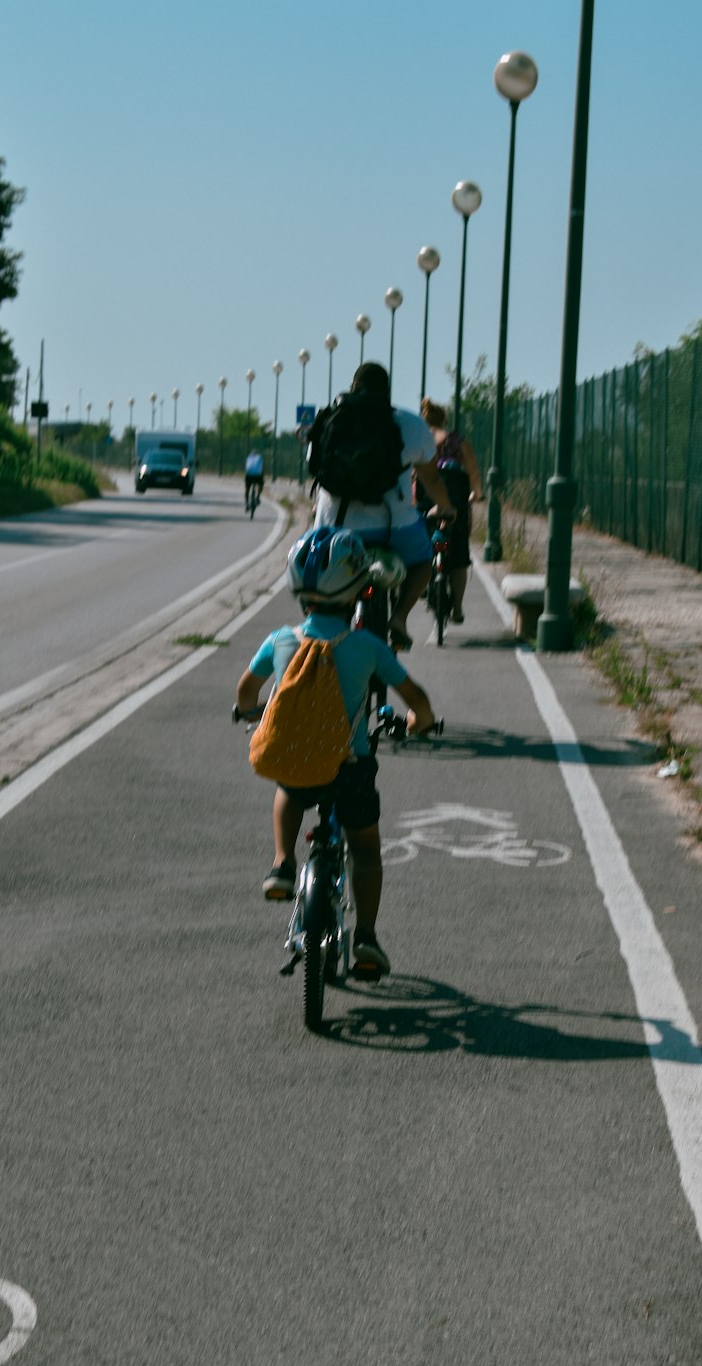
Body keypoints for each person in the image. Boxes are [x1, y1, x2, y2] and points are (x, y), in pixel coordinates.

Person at [235, 526, 436, 976]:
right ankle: (365, 937)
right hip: (351, 767)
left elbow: (246, 692)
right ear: (358, 591)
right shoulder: (367, 645)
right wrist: (417, 722)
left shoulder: (281, 641)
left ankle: (282, 863)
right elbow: (416, 699)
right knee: (364, 848)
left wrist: (250, 712)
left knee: (289, 787)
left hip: (300, 765)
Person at [311, 362, 455, 652]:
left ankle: (322, 632)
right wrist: (447, 509)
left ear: (353, 388)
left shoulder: (329, 419)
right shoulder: (410, 424)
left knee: (318, 574)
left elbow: (315, 468)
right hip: (394, 526)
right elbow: (431, 479)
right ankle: (399, 619)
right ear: (387, 391)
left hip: (335, 525)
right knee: (423, 561)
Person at [418, 398, 484, 623]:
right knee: (458, 557)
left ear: (424, 420)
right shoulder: (458, 440)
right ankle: (456, 608)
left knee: (422, 546)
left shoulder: (421, 440)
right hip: (456, 504)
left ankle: (423, 585)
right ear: (444, 420)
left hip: (427, 502)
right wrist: (475, 493)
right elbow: (473, 471)